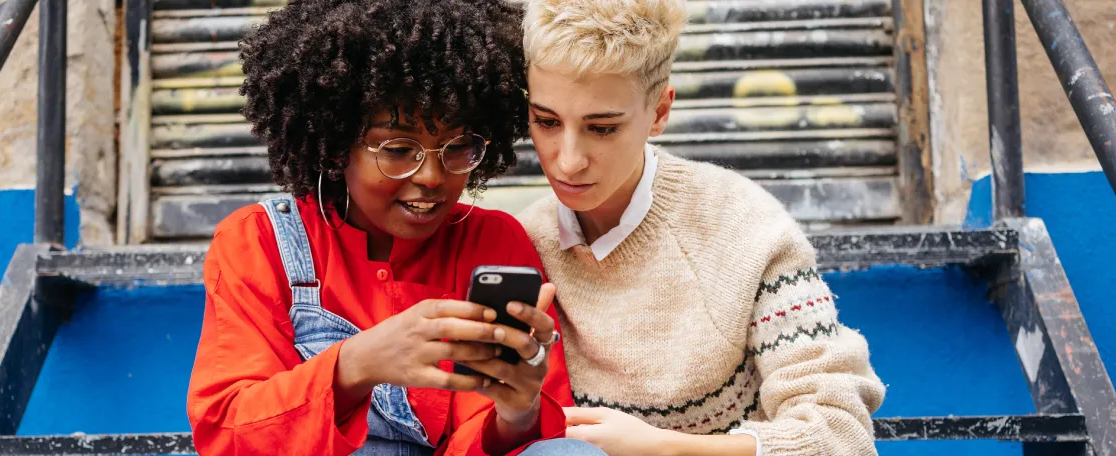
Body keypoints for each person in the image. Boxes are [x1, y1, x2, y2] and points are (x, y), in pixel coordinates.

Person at [185, 1, 603, 455]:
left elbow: (523, 436)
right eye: (399, 150)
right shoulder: (258, 242)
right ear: (335, 144)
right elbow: (227, 434)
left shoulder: (491, 241)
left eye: (456, 146)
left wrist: (516, 414)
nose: (432, 177)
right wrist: (355, 365)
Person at [514, 1, 888, 455]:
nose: (569, 160)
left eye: (603, 128)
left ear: (659, 112)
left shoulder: (740, 227)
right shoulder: (519, 243)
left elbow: (840, 435)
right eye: (546, 121)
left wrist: (665, 448)